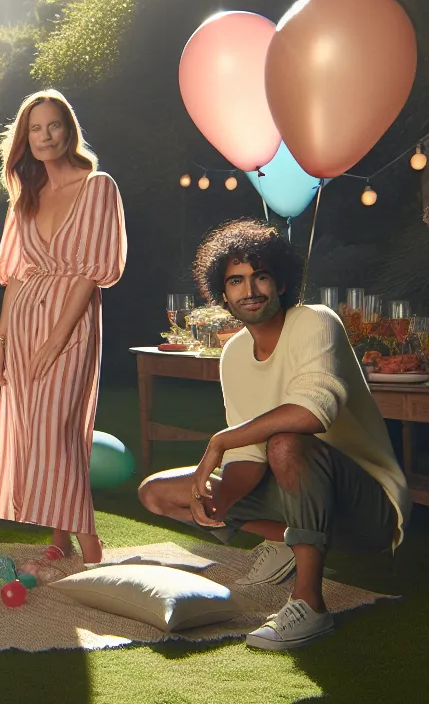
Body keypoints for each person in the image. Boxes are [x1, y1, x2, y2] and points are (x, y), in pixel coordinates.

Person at [138, 220, 408, 650]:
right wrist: (218, 503)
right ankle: (288, 541)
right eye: (236, 281)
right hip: (294, 491)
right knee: (158, 493)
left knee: (285, 441)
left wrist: (220, 441)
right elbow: (247, 458)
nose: (250, 290)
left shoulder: (315, 321)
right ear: (223, 294)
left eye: (260, 277)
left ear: (281, 282)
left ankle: (309, 604)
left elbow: (314, 412)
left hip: (366, 508)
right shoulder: (233, 354)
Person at [0, 90, 126, 564]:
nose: (45, 137)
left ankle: (91, 548)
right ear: (25, 138)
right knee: (34, 427)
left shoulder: (98, 186)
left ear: (69, 130)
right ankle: (60, 541)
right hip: (24, 323)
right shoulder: (26, 195)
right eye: (35, 129)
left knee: (58, 428)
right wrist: (0, 341)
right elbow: (16, 276)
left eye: (53, 126)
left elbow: (91, 273)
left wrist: (59, 338)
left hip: (72, 322)